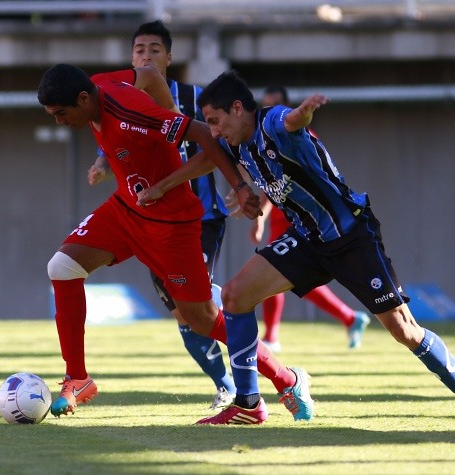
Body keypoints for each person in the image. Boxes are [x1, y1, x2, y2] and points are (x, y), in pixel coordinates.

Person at [138, 70, 455, 425]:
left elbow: (291, 121)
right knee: (234, 297)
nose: (212, 132)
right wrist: (164, 187)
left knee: (403, 331)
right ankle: (247, 403)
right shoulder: (234, 143)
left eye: (215, 121)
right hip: (306, 239)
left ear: (238, 109)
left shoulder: (271, 122)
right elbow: (207, 159)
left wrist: (305, 110)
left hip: (350, 236)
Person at [38, 63, 314, 422]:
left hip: (171, 223)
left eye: (62, 113)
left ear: (83, 98)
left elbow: (202, 133)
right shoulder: (101, 83)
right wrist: (169, 107)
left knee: (200, 319)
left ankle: (287, 379)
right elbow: (150, 73)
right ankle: (77, 378)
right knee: (62, 266)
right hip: (127, 207)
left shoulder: (132, 114)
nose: (59, 122)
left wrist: (240, 187)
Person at [86, 20, 235, 410]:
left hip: (199, 215)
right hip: (149, 218)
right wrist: (102, 163)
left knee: (196, 307)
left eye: (154, 49)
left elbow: (223, 142)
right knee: (183, 315)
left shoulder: (197, 97)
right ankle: (225, 383)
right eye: (139, 50)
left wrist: (244, 185)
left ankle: (251, 373)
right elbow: (118, 138)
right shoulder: (118, 98)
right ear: (130, 57)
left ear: (169, 57)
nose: (146, 56)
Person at [226, 85, 371, 352]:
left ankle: (275, 335)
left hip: (309, 218)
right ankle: (345, 318)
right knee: (285, 273)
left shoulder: (292, 132)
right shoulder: (254, 139)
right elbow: (269, 179)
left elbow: (289, 178)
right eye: (264, 104)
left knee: (285, 272)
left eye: (274, 105)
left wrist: (261, 216)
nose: (267, 110)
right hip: (287, 214)